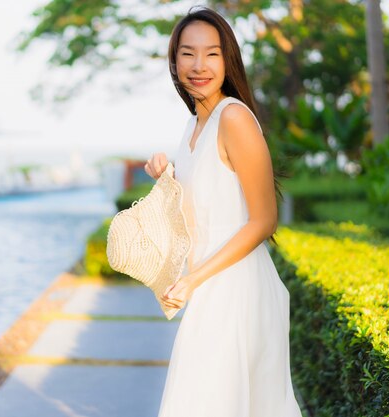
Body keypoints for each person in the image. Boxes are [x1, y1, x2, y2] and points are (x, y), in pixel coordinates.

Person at [143, 6, 303, 417]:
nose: (199, 65)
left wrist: (194, 279)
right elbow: (198, 217)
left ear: (227, 59)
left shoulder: (234, 117)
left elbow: (264, 220)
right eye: (187, 53)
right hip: (210, 286)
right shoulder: (194, 125)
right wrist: (166, 183)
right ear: (174, 60)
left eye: (212, 53)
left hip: (238, 289)